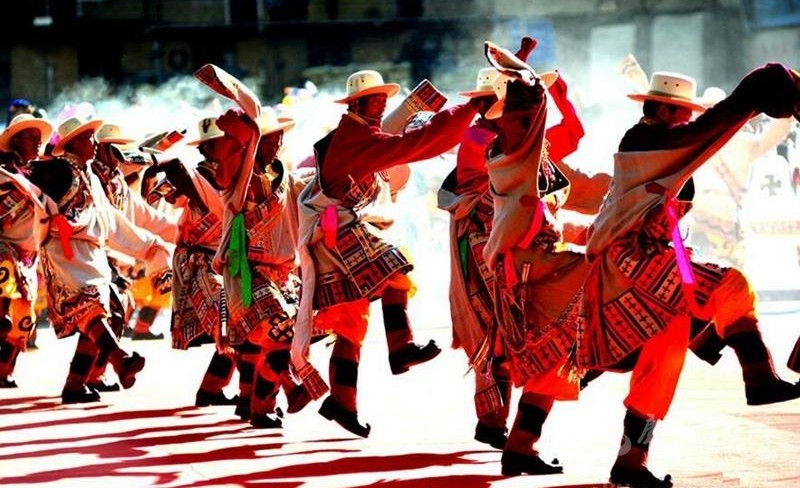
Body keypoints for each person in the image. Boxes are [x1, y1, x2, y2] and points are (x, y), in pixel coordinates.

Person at [581, 64, 800, 487]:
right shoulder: (644, 140)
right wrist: (751, 97)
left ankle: (630, 461)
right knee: (732, 284)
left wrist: (691, 288)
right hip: (628, 259)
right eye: (682, 112)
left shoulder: (664, 149)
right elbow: (706, 132)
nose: (688, 120)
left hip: (653, 258)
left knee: (665, 355)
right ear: (661, 111)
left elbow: (672, 230)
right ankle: (758, 376)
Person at [291, 69, 486, 437]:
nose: (381, 106)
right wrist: (469, 110)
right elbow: (414, 145)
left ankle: (342, 401)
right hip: (338, 233)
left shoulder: (360, 134)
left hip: (335, 236)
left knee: (350, 323)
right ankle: (400, 347)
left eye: (384, 100)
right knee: (396, 268)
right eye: (375, 100)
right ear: (356, 104)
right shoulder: (357, 139)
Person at [30, 114, 171, 404]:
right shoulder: (58, 170)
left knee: (110, 308)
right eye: (87, 138)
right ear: (72, 144)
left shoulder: (92, 177)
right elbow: (25, 183)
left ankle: (77, 383)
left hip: (91, 255)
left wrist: (151, 245)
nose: (93, 142)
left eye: (95, 137)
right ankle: (120, 360)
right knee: (91, 306)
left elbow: (111, 221)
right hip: (64, 253)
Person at [201, 106, 312, 429]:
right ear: (253, 141)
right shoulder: (235, 177)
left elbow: (312, 201)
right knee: (276, 330)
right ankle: (286, 387)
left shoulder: (286, 179)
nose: (276, 144)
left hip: (280, 272)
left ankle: (258, 404)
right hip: (245, 269)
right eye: (268, 138)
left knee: (270, 338)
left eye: (278, 137)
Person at [144, 118, 239, 410]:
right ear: (207, 149)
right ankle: (258, 390)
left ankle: (212, 388)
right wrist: (154, 163)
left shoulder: (238, 175)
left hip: (225, 257)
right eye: (221, 143)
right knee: (231, 321)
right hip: (198, 260)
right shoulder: (197, 176)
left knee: (240, 321)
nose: (229, 147)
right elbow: (152, 196)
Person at [0, 113, 54, 387]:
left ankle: (4, 371)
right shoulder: (3, 171)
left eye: (38, 137)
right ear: (16, 140)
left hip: (30, 256)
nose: (37, 141)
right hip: (4, 248)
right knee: (4, 279)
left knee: (24, 318)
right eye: (31, 137)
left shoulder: (42, 173)